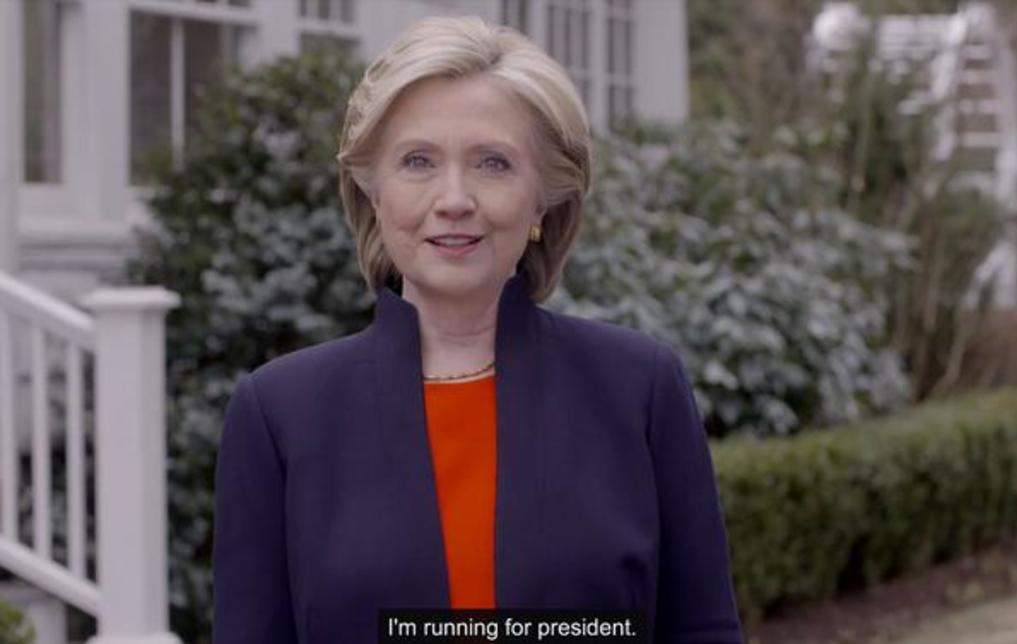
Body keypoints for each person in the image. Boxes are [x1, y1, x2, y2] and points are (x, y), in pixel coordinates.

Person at [213, 14, 743, 644]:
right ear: (373, 191)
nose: (454, 199)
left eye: (493, 163)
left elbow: (702, 630)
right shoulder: (279, 413)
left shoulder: (639, 389)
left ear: (543, 197)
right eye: (418, 161)